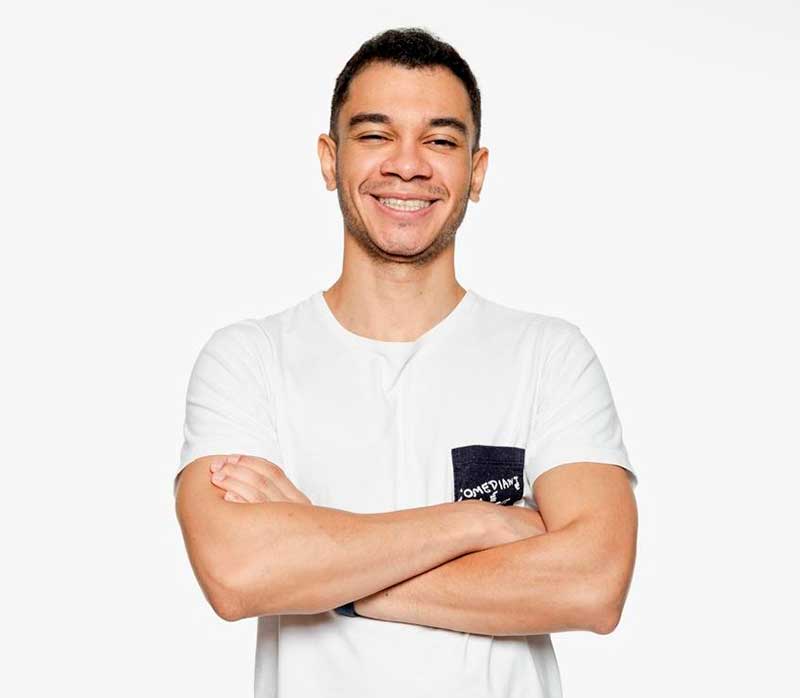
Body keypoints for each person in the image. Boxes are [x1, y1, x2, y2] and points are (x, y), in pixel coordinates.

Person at [173, 26, 638, 698]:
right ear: (329, 160)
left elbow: (593, 585)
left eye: (441, 141)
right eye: (375, 134)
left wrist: (320, 558)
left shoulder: (550, 356)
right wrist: (478, 522)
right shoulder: (248, 360)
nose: (407, 165)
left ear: (476, 171)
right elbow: (238, 574)